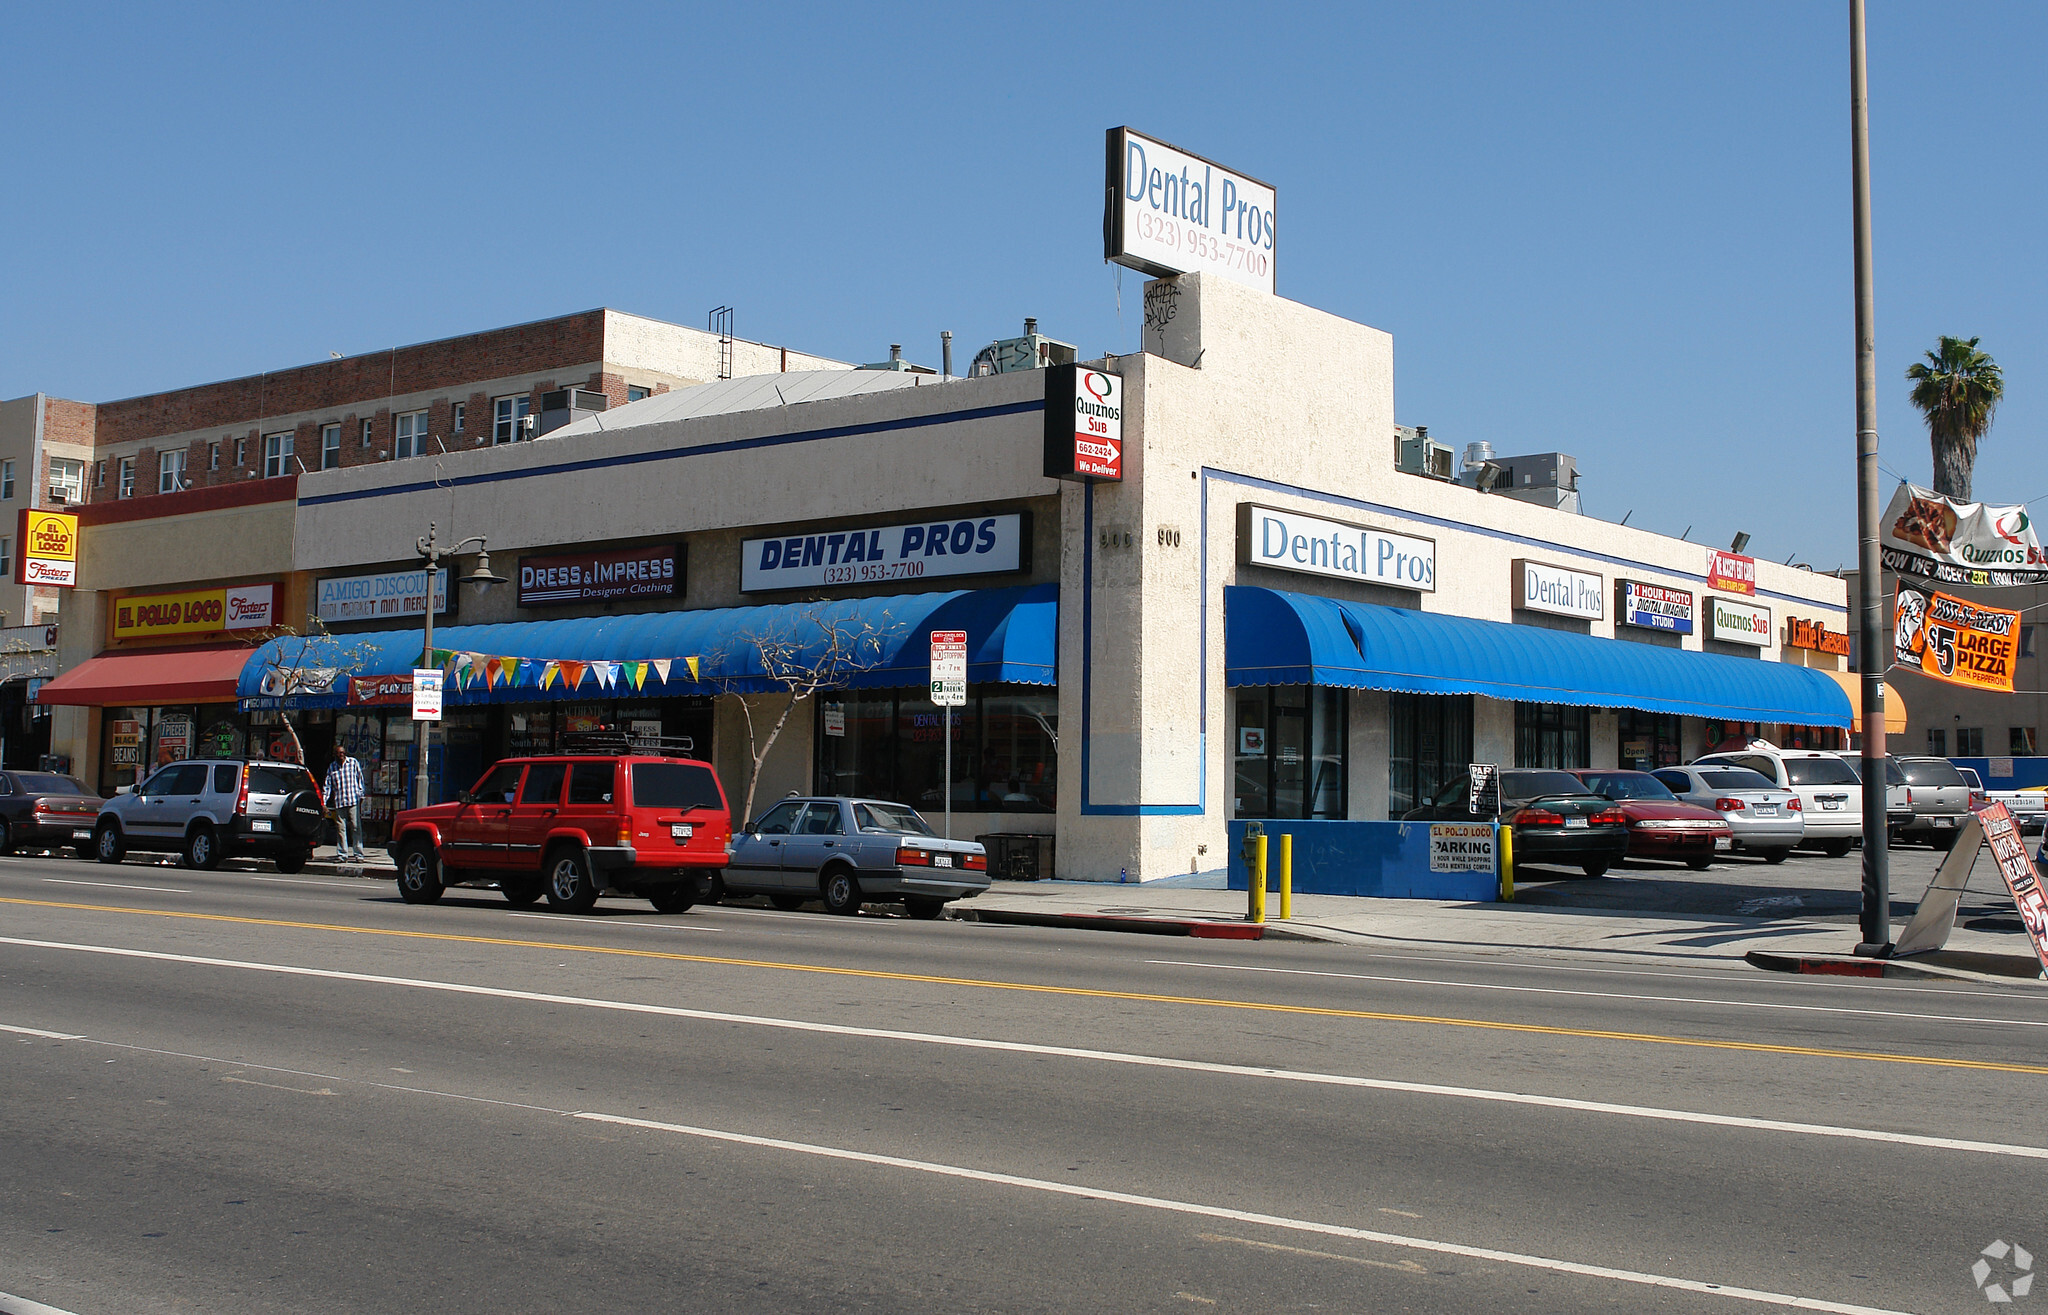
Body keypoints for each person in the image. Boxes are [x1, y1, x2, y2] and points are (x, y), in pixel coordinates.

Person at [325, 743, 368, 863]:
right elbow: (327, 786)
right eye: (340, 753)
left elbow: (360, 779)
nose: (342, 755)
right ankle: (342, 854)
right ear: (335, 755)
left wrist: (360, 795)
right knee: (341, 829)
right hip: (340, 802)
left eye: (343, 753)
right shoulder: (332, 767)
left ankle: (359, 854)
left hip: (353, 800)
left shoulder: (353, 763)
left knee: (355, 827)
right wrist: (324, 802)